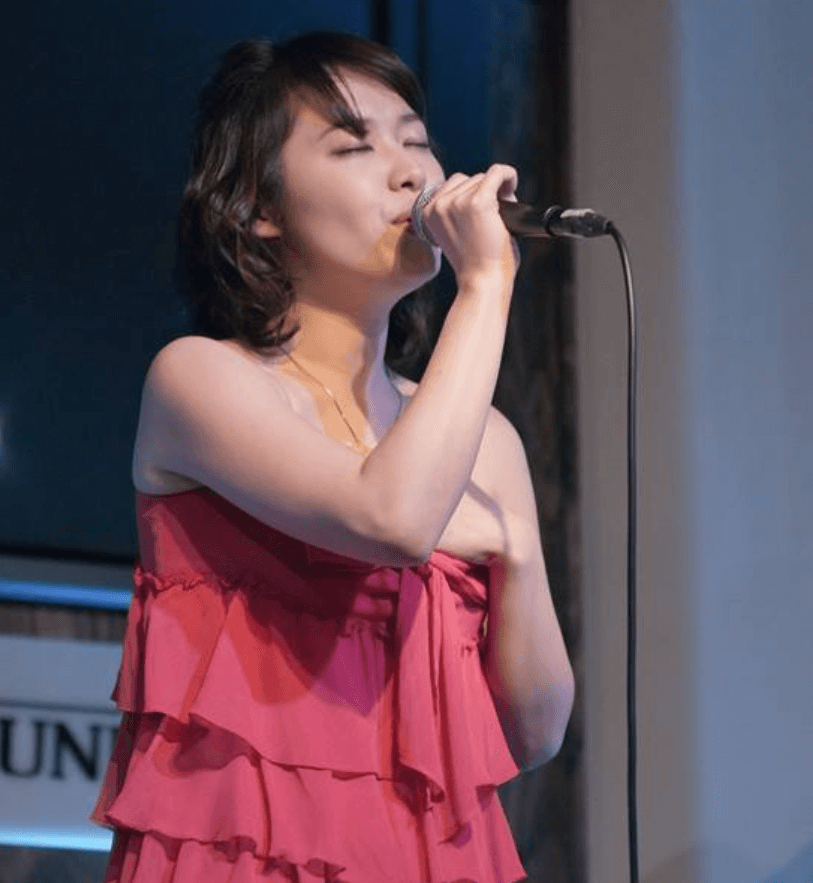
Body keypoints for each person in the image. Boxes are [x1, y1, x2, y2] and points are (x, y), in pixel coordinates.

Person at [90, 31, 575, 883]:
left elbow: (533, 732)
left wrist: (517, 548)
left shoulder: (483, 436)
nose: (410, 174)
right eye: (355, 147)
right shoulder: (200, 378)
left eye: (416, 140)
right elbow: (391, 517)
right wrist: (487, 284)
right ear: (258, 207)